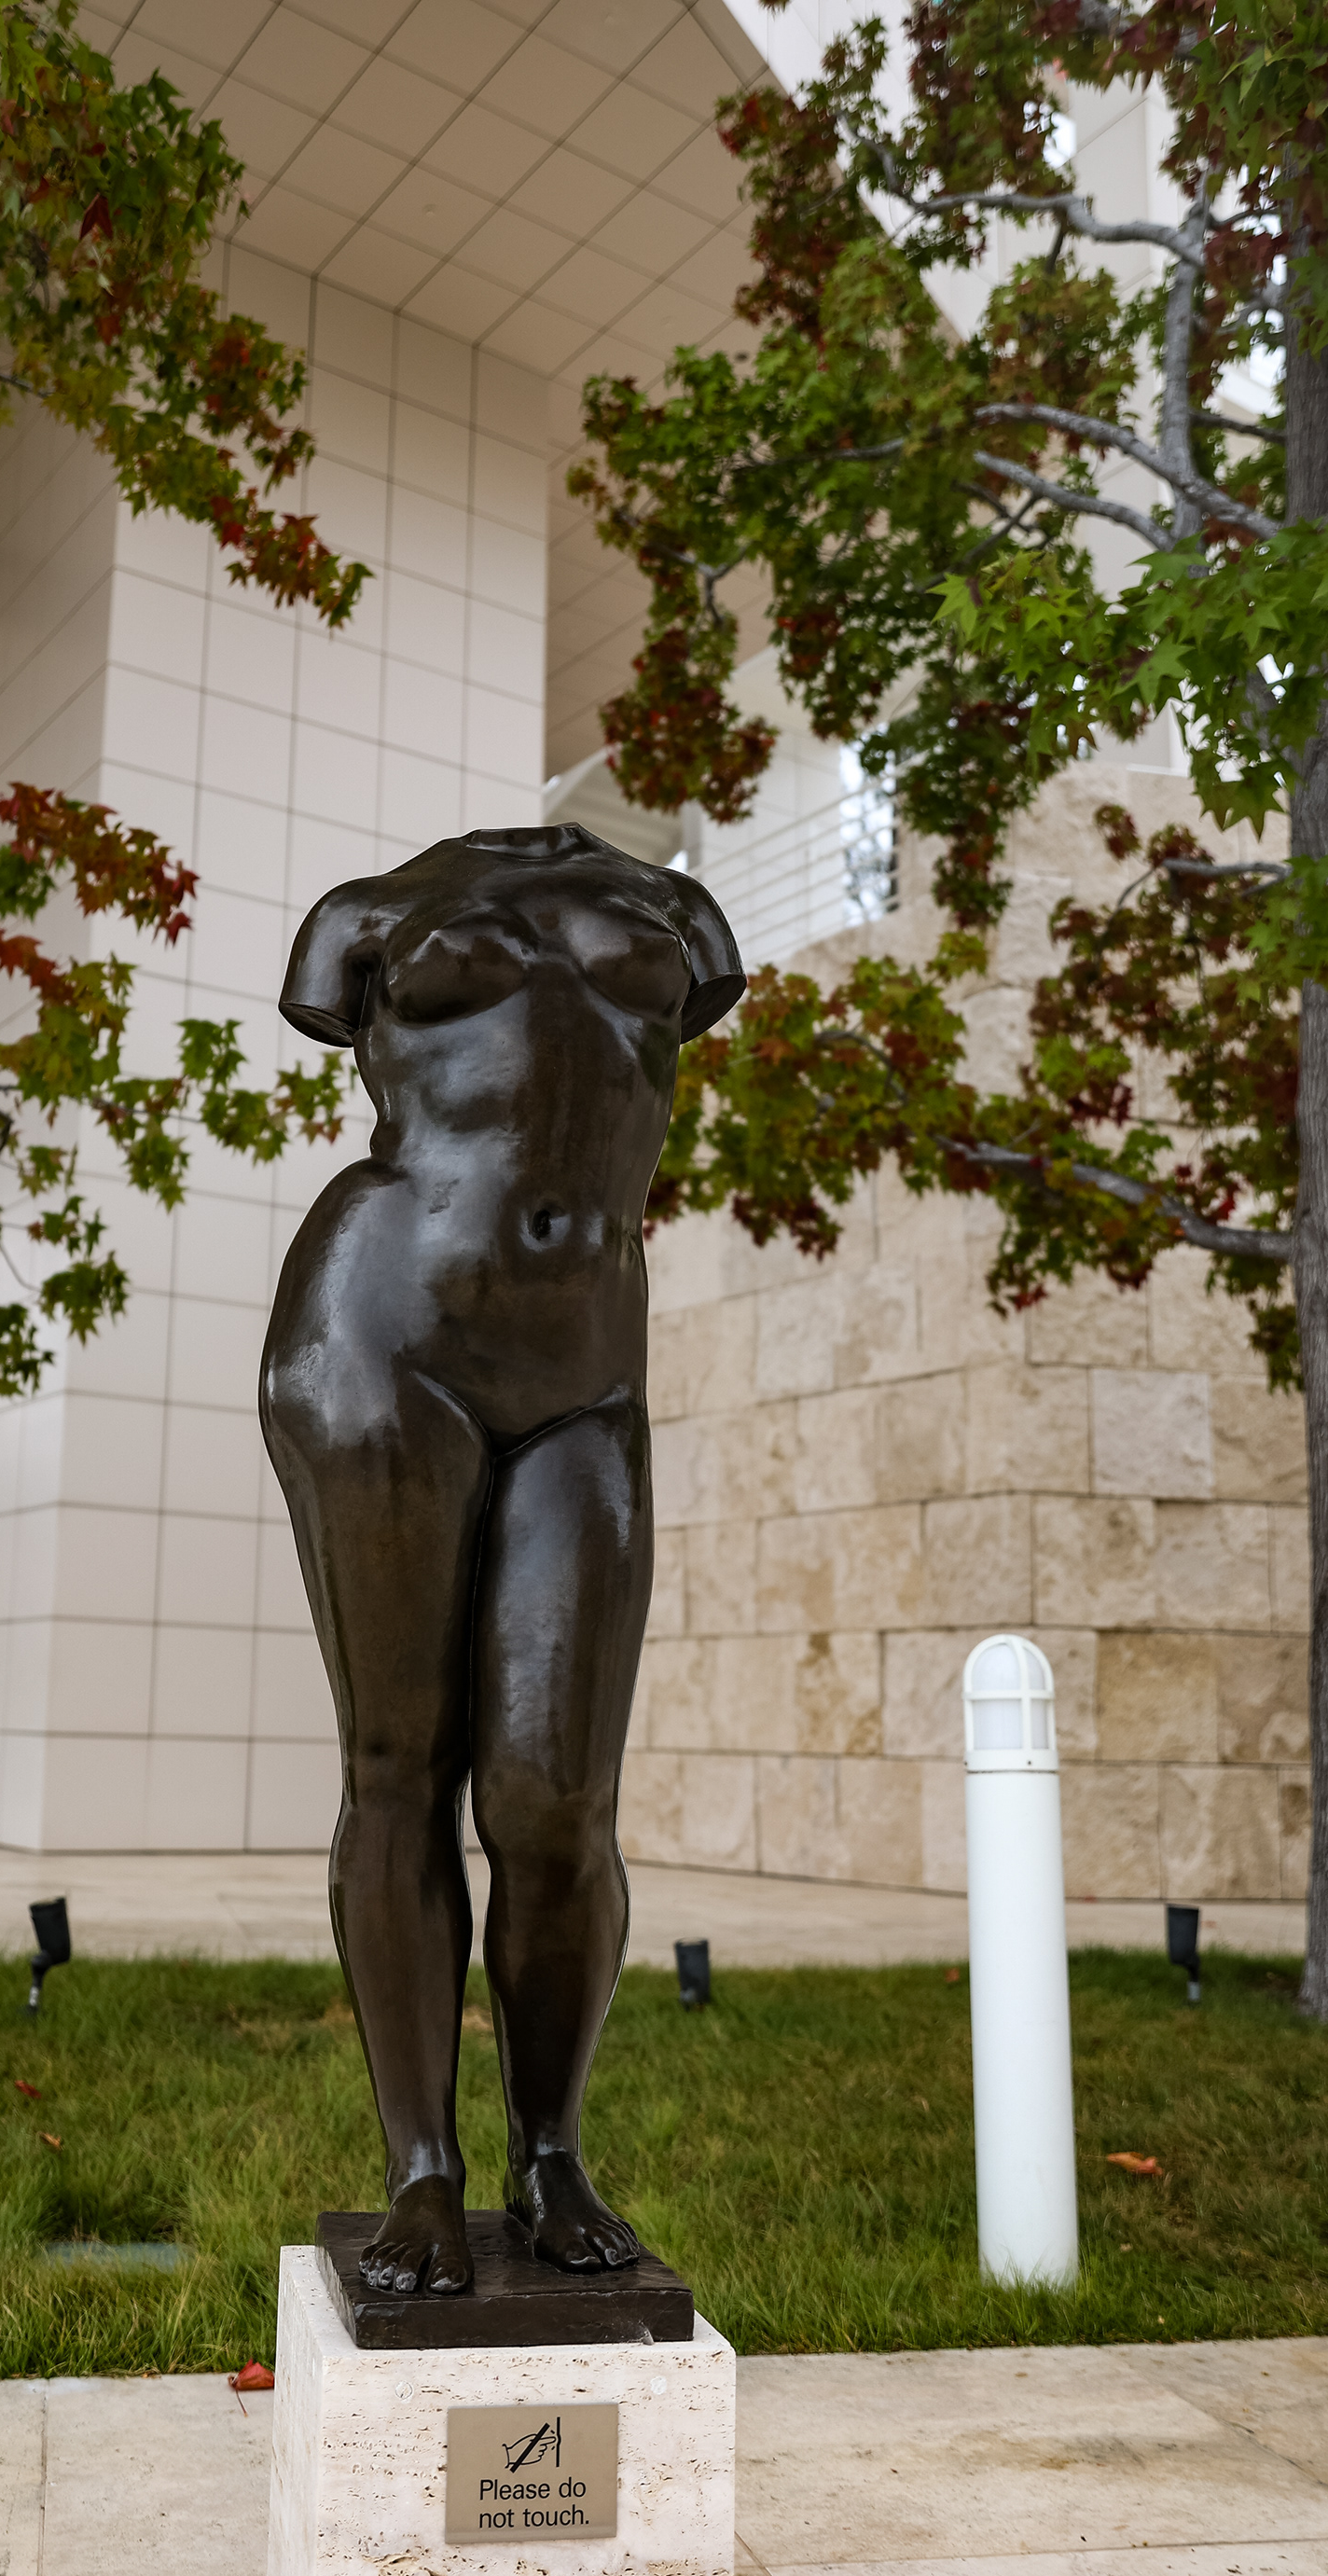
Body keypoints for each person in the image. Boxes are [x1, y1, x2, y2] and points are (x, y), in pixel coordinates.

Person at [260, 824, 744, 2296]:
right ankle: (422, 2170)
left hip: (583, 1365)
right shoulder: (366, 911)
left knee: (555, 1796)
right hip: (383, 1328)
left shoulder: (676, 908)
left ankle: (552, 2155)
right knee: (399, 1763)